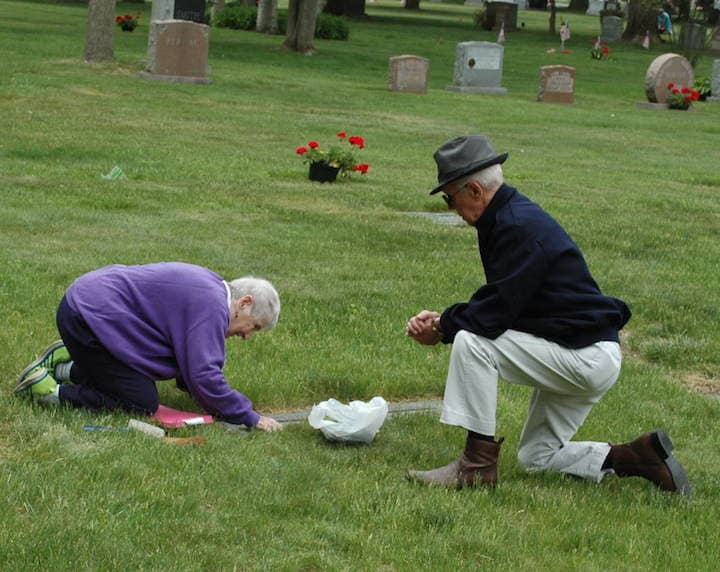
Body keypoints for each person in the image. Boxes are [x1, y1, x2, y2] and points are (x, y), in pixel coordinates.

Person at [404, 135, 691, 495]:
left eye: (450, 198)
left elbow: (494, 313)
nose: (452, 208)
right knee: (536, 458)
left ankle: (475, 468)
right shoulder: (508, 218)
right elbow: (507, 302)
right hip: (582, 351)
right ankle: (636, 457)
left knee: (473, 343)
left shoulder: (517, 226)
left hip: (582, 356)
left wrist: (444, 327)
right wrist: (444, 322)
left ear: (475, 190)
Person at [15, 262, 283, 432]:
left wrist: (216, 401)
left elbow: (189, 364)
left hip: (84, 307)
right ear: (244, 303)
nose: (248, 336)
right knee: (141, 401)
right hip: (87, 318)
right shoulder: (212, 308)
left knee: (129, 382)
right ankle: (47, 391)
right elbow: (203, 374)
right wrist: (248, 416)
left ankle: (66, 364)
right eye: (255, 326)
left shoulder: (212, 289)